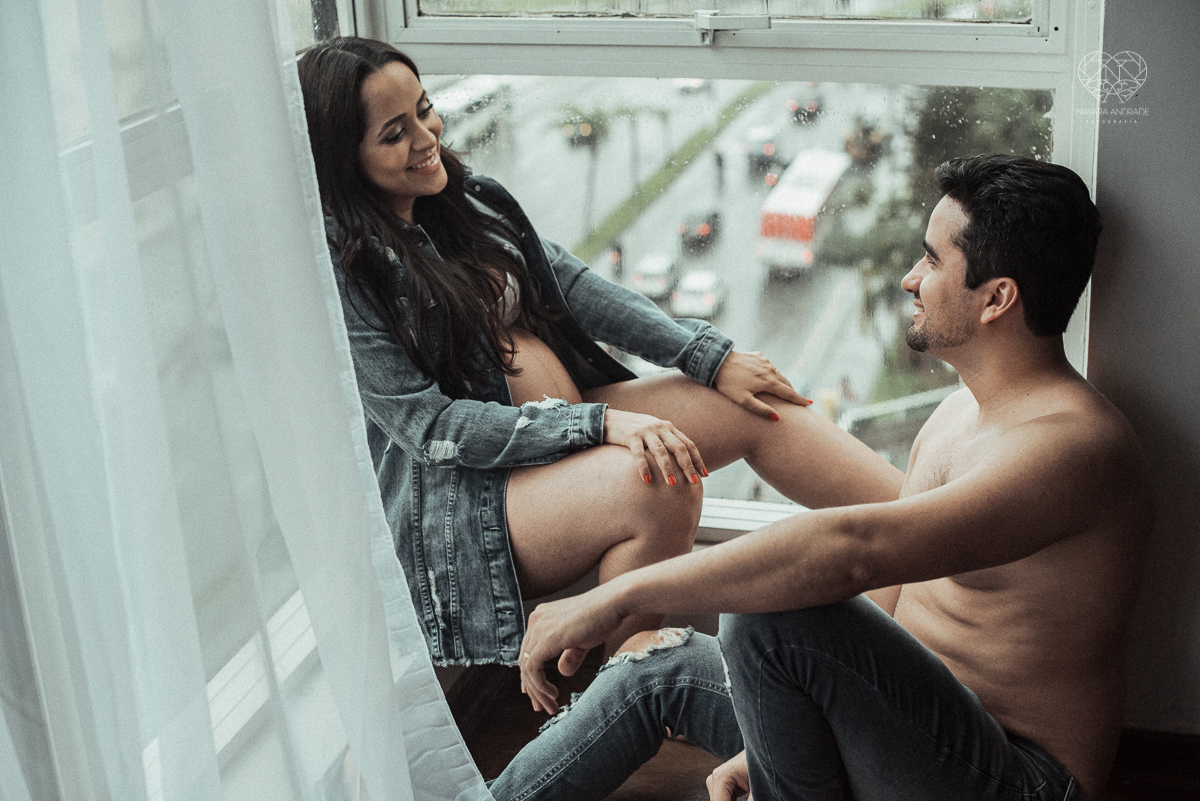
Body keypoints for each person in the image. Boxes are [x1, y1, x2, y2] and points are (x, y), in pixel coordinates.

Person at [507, 155, 1152, 801]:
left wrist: (612, 596)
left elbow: (850, 552)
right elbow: (893, 600)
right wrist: (772, 729)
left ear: (997, 298)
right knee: (657, 665)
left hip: (1008, 773)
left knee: (769, 619)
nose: (909, 278)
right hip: (896, 729)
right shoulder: (961, 410)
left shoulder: (1072, 449)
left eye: (930, 261)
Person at [295, 37, 903, 665]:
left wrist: (708, 358)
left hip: (562, 437)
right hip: (475, 498)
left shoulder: (467, 199)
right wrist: (600, 423)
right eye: (395, 133)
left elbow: (575, 287)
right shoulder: (348, 269)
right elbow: (432, 428)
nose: (426, 137)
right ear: (345, 158)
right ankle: (623, 693)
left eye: (425, 109)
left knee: (757, 402)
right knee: (661, 476)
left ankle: (938, 530)